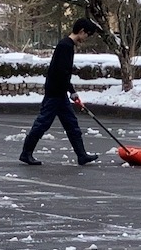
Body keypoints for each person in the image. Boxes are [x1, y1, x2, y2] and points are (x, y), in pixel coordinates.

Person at [20, 18, 102, 166]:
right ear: (81, 31)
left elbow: (62, 72)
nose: (86, 38)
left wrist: (69, 90)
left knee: (71, 124)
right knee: (42, 124)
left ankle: (82, 155)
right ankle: (26, 153)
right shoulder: (65, 46)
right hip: (55, 93)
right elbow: (61, 72)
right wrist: (72, 91)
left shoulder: (66, 45)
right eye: (87, 35)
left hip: (59, 92)